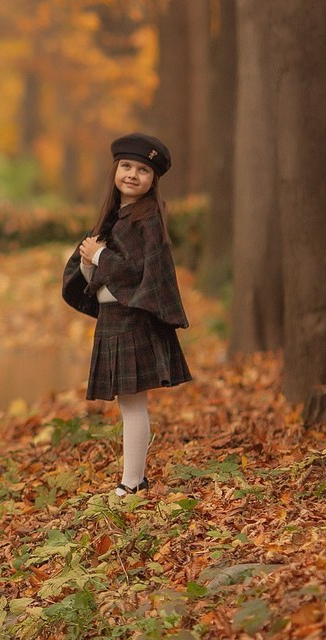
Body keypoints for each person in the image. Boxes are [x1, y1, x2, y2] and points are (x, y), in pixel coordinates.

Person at [61, 132, 191, 497]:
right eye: (126, 166)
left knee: (133, 404)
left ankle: (133, 482)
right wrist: (88, 263)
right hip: (112, 320)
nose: (133, 175)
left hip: (133, 317)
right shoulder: (112, 220)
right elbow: (94, 278)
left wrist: (100, 257)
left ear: (153, 180)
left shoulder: (148, 219)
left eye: (143, 170)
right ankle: (133, 478)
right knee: (127, 403)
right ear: (115, 170)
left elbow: (138, 271)